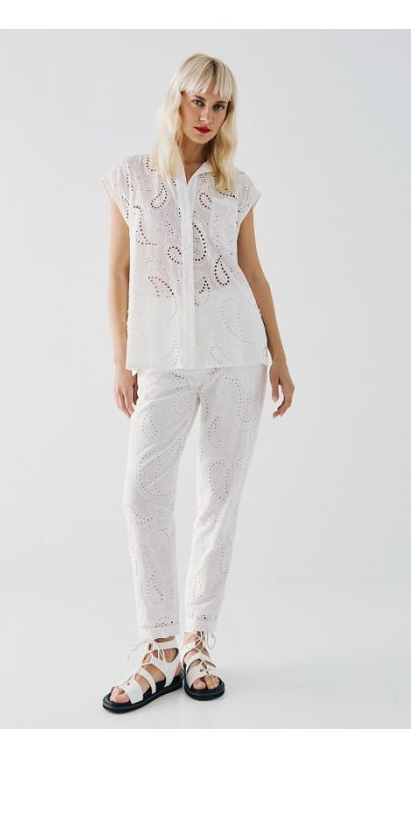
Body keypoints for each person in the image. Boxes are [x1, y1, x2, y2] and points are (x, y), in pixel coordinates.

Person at [100, 53, 295, 713]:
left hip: (238, 357)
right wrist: (123, 360)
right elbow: (119, 273)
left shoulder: (235, 187)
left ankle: (197, 641)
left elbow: (253, 273)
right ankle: (158, 647)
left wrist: (280, 356)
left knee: (220, 497)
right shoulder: (132, 178)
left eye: (220, 106)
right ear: (176, 100)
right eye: (198, 101)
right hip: (163, 362)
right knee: (142, 495)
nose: (207, 116)